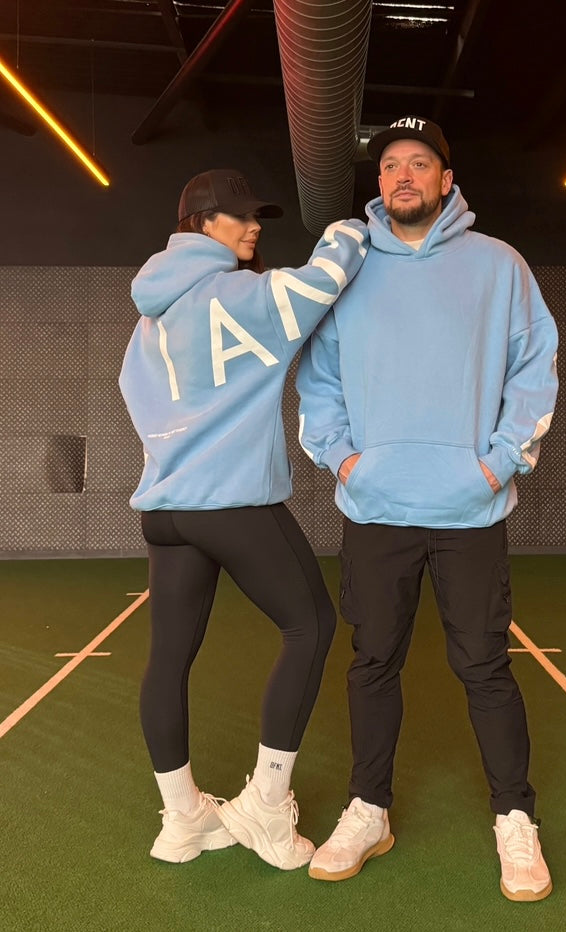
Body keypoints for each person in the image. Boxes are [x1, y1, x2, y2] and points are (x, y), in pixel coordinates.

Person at [296, 117, 558, 901]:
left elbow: (534, 369)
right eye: (388, 167)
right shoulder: (344, 269)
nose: (401, 176)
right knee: (372, 662)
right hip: (374, 506)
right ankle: (367, 808)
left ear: (446, 179)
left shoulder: (498, 266)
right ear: (378, 184)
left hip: (467, 511)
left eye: (418, 164)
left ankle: (514, 818)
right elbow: (318, 379)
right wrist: (344, 459)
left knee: (482, 666)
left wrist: (497, 464)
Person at [119, 168, 368, 871]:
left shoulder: (149, 317)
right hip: (229, 503)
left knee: (168, 660)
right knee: (311, 625)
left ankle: (183, 820)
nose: (254, 226)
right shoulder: (245, 297)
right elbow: (323, 281)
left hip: (165, 510)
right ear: (201, 224)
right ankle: (263, 807)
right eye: (238, 217)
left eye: (257, 216)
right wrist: (352, 225)